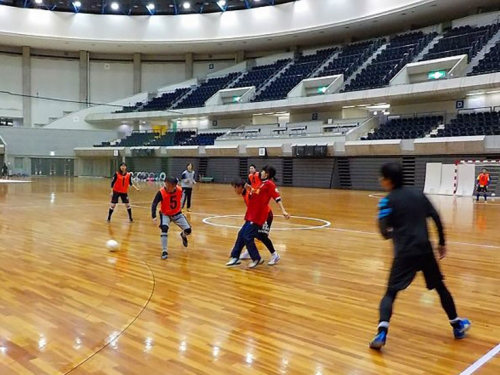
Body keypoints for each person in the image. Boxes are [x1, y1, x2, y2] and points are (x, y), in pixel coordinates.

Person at [369, 162, 470, 350]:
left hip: (404, 253)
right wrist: (441, 242)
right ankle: (457, 326)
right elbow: (436, 217)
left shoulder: (386, 202)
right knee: (440, 287)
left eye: (381, 177)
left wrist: (394, 233)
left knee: (390, 293)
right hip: (424, 250)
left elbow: (384, 233)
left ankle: (382, 332)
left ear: (388, 181)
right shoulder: (418, 194)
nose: (380, 180)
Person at [226, 166, 290, 269]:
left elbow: (277, 197)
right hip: (252, 214)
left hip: (260, 215)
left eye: (263, 171)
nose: (260, 172)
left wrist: (283, 210)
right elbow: (255, 192)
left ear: (267, 174)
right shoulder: (260, 183)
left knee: (253, 236)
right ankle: (235, 257)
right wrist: (249, 188)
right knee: (243, 234)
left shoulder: (269, 184)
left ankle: (259, 258)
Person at [231, 178, 281, 265]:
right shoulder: (244, 194)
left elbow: (259, 205)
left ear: (240, 187)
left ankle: (274, 255)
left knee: (261, 236)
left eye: (234, 187)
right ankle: (248, 252)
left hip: (265, 215)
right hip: (254, 216)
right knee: (247, 233)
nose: (234, 190)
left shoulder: (249, 194)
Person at [151, 177, 192, 260]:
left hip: (177, 214)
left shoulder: (180, 190)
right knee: (164, 228)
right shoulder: (161, 192)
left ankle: (183, 235)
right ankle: (164, 251)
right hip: (165, 214)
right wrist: (154, 216)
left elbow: (182, 198)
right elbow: (154, 203)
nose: (166, 187)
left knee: (188, 230)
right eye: (165, 184)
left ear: (174, 186)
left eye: (169, 185)